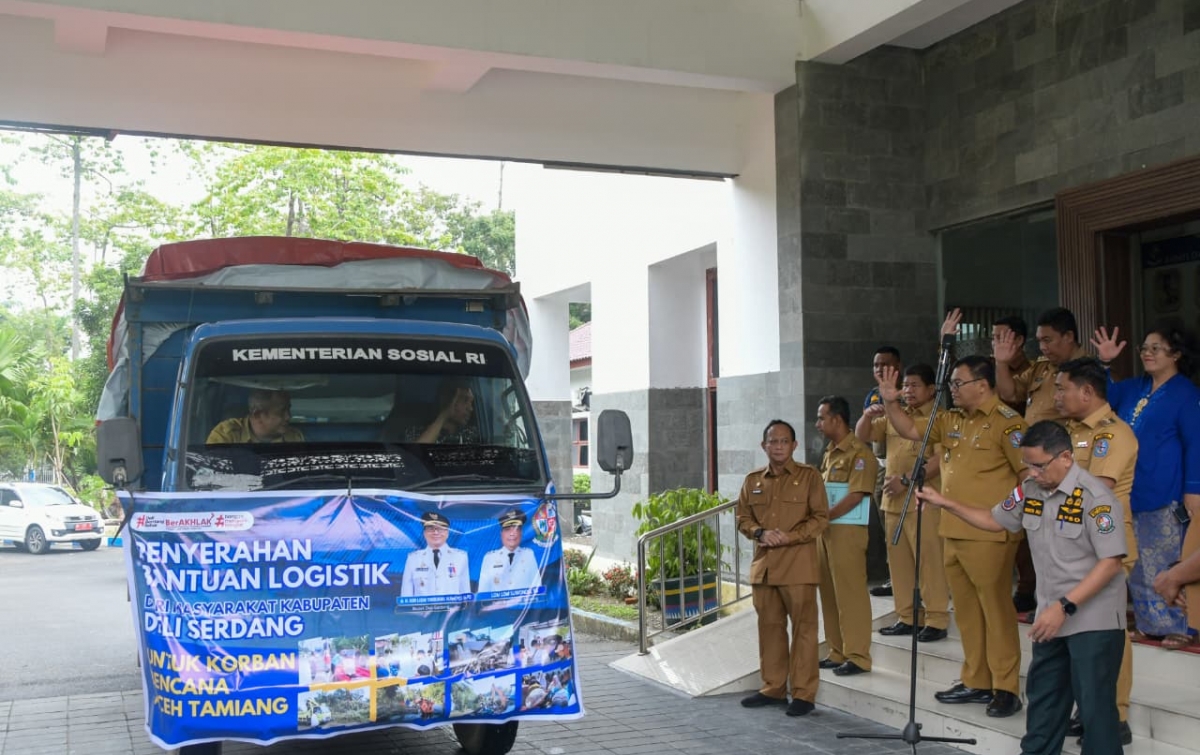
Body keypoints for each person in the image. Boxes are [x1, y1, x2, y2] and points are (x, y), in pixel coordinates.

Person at [917, 420, 1128, 755]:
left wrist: (1065, 606)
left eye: (1039, 465)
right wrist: (946, 504)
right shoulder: (1030, 489)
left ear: (1066, 458)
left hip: (1093, 621)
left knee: (1095, 712)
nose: (1032, 472)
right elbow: (994, 519)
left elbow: (1111, 562)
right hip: (1051, 618)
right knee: (1043, 703)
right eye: (1028, 464)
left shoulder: (1096, 498)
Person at [876, 349, 1026, 718]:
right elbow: (909, 429)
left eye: (959, 383)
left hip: (990, 534)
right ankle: (976, 679)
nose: (952, 389)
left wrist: (1013, 518)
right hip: (952, 529)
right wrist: (892, 401)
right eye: (952, 383)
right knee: (970, 613)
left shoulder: (1010, 423)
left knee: (996, 611)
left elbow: (1028, 476)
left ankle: (1006, 687)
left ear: (982, 384)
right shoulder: (952, 419)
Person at [1093, 320, 1200, 650]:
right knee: (1137, 560)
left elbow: (1196, 443)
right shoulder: (1133, 387)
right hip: (1130, 488)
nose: (1148, 354)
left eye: (1157, 348)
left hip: (1166, 490)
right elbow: (1101, 395)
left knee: (1171, 558)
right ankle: (1149, 623)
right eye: (1145, 349)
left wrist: (1193, 490)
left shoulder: (1186, 394)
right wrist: (1105, 362)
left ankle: (1183, 624)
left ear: (1177, 354)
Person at [1054, 357, 1138, 744]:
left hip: (1106, 546)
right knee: (1080, 630)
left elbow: (1097, 484)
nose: (1056, 396)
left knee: (1108, 631)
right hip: (1073, 544)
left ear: (1087, 392)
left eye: (1062, 388)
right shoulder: (1069, 432)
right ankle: (1089, 707)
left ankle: (1114, 714)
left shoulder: (1112, 433)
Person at [993, 307, 1088, 613]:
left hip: (1066, 464)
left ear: (1069, 336)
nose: (1043, 347)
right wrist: (1001, 361)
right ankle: (1046, 599)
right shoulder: (1042, 368)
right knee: (1041, 535)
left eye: (1048, 340)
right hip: (1040, 468)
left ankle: (1069, 603)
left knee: (1067, 539)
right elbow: (1008, 392)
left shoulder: (1087, 368)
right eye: (1039, 341)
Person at [735, 419, 830, 717]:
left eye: (784, 441)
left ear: (794, 445)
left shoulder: (810, 477)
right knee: (770, 629)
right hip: (764, 567)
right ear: (764, 446)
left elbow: (820, 518)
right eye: (772, 442)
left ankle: (803, 693)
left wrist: (790, 536)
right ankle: (773, 688)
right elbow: (742, 517)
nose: (778, 446)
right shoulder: (753, 480)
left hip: (798, 566)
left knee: (804, 630)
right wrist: (759, 532)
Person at [856, 364, 950, 642]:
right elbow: (862, 435)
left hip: (923, 502)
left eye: (914, 385)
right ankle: (907, 616)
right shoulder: (897, 415)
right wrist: (866, 414)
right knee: (899, 564)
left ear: (932, 389)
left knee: (929, 563)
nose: (908, 391)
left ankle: (936, 618)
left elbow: (937, 461)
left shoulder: (939, 418)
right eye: (905, 385)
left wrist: (907, 480)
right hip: (893, 501)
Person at [815, 396, 877, 676]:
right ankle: (836, 650)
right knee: (828, 592)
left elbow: (857, 494)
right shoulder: (830, 452)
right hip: (825, 533)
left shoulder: (859, 454)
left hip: (847, 531)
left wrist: (824, 515)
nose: (818, 424)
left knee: (850, 593)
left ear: (836, 419)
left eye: (821, 418)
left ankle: (858, 656)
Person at [866, 347, 902, 598]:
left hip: (907, 465)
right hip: (881, 466)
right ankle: (894, 576)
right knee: (885, 523)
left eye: (885, 364)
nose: (880, 369)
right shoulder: (873, 395)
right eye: (876, 365)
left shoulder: (908, 392)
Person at [400, 511, 471, 597]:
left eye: (440, 528)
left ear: (447, 533)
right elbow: (406, 596)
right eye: (430, 528)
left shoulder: (460, 557)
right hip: (422, 610)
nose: (436, 532)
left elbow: (466, 595)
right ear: (424, 533)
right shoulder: (413, 559)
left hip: (451, 610)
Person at [478, 508, 541, 592]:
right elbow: (483, 592)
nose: (512, 533)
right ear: (501, 534)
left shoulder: (528, 555)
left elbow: (537, 587)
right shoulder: (490, 558)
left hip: (523, 605)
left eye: (516, 529)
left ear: (521, 533)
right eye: (507, 530)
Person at [206, 389, 303, 444]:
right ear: (257, 415)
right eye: (281, 412)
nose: (288, 416)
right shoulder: (227, 435)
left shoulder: (293, 436)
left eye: (288, 409)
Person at [408, 379, 479, 444]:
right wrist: (445, 414)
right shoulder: (416, 432)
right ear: (447, 400)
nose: (470, 408)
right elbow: (414, 454)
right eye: (465, 400)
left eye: (471, 402)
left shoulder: (471, 434)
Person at [992, 316, 1032, 413]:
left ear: (1019, 340)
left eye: (1000, 338)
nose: (994, 343)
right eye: (993, 338)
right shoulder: (988, 365)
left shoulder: (1032, 371)